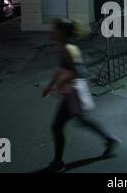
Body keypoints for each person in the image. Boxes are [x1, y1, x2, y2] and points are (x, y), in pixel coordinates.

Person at [41, 18, 120, 173]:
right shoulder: (63, 46)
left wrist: (58, 84)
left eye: (54, 28)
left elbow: (77, 71)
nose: (51, 31)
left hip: (73, 93)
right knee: (81, 121)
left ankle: (58, 163)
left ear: (62, 32)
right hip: (70, 92)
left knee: (57, 126)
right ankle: (109, 139)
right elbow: (60, 68)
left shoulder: (70, 49)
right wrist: (50, 86)